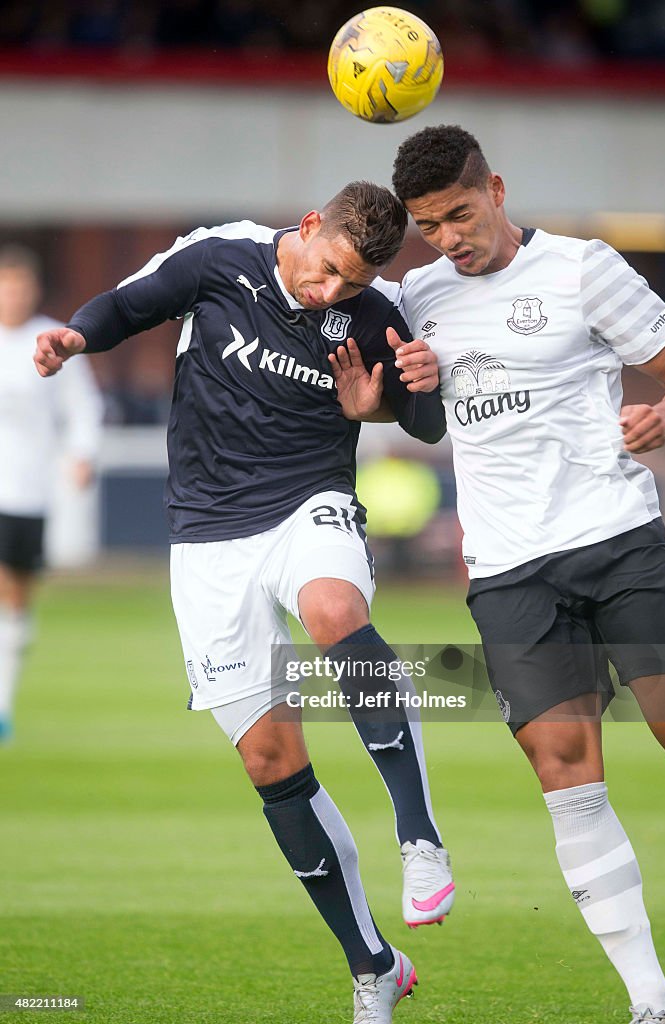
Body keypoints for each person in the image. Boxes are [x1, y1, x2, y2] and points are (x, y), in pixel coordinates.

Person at [34, 182, 454, 1024]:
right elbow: (129, 304)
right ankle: (372, 964)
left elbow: (426, 422)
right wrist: (77, 335)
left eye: (353, 282)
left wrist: (390, 403)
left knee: (335, 611)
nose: (332, 292)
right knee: (269, 761)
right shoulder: (220, 258)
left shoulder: (378, 312)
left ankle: (419, 837)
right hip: (207, 536)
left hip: (309, 503)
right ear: (305, 229)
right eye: (327, 270)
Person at [387, 124, 665, 1024]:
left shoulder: (583, 268)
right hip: (510, 570)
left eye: (461, 215)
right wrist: (389, 396)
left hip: (617, 538)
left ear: (498, 190)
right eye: (429, 226)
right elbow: (406, 412)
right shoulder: (417, 297)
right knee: (566, 771)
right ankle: (651, 1002)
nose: (448, 239)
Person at [0, 244, 102, 742]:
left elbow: (83, 405)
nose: (13, 295)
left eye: (20, 286)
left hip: (27, 492)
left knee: (16, 600)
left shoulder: (51, 340)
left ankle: (3, 704)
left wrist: (83, 453)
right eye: (6, 285)